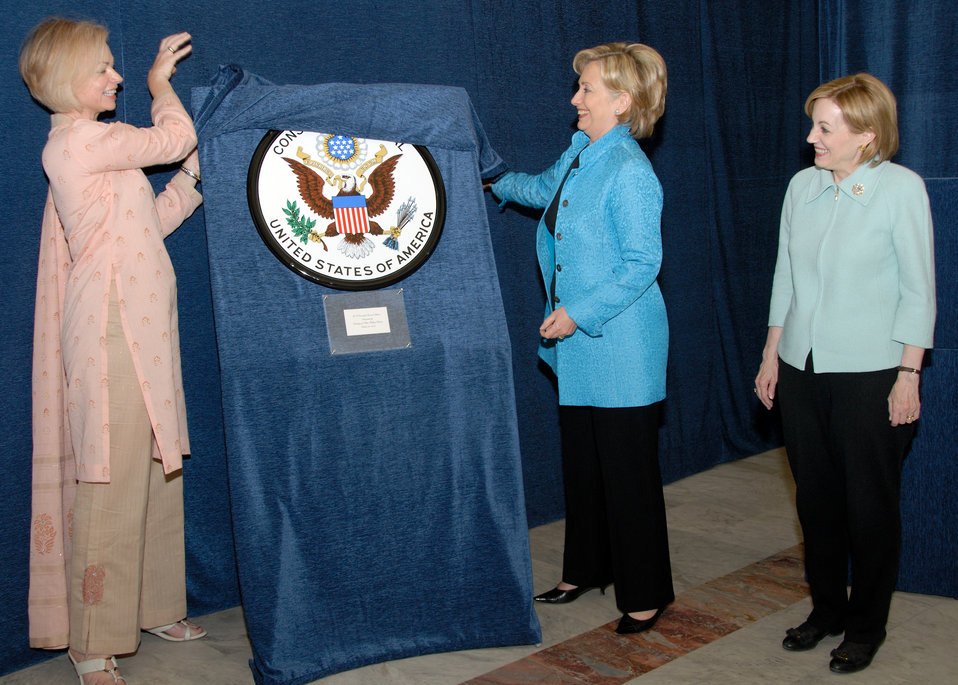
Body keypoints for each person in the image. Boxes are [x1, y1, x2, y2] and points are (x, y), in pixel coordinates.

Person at [21, 17, 208, 684]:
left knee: (158, 467)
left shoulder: (102, 150)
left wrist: (189, 181)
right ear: (65, 81)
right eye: (102, 67)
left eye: (117, 67)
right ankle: (92, 639)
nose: (118, 77)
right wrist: (164, 86)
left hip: (144, 326)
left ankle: (153, 605)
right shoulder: (77, 144)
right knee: (111, 479)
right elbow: (176, 133)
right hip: (110, 329)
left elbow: (146, 226)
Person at [489, 42, 673, 635]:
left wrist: (576, 311)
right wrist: (486, 173)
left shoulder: (629, 170)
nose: (575, 99)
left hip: (622, 346)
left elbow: (643, 262)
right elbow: (541, 191)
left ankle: (646, 593)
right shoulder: (582, 154)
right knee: (586, 467)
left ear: (622, 101)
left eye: (587, 89)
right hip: (581, 349)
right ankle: (585, 569)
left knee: (627, 475)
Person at [754, 73, 935, 674]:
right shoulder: (801, 187)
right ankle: (826, 609)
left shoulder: (900, 190)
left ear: (867, 136)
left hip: (873, 374)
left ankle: (866, 626)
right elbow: (786, 275)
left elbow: (919, 289)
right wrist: (771, 354)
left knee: (869, 506)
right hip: (801, 368)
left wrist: (909, 373)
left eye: (825, 128)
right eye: (813, 124)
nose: (811, 138)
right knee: (817, 502)